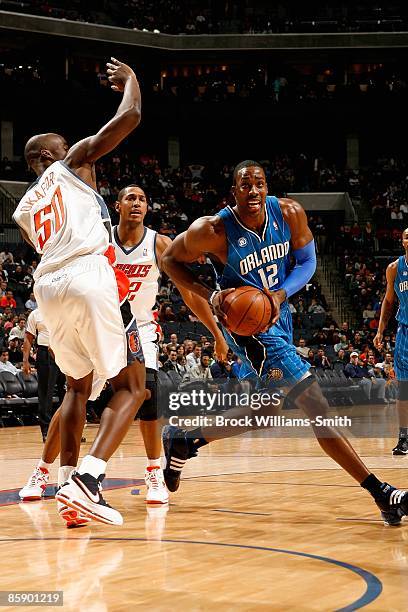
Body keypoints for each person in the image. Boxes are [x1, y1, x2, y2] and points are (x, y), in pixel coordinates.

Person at [160, 159, 408, 526]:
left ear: (267, 186)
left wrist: (281, 294)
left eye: (259, 184)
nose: (254, 191)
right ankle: (381, 492)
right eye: (245, 185)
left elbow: (307, 261)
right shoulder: (212, 230)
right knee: (316, 405)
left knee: (267, 409)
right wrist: (210, 294)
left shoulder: (288, 212)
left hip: (278, 314)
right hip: (250, 330)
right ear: (235, 192)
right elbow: (169, 261)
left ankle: (185, 441)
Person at [13, 57, 146, 527]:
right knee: (133, 385)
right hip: (86, 274)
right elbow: (127, 119)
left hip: (47, 287)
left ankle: (69, 488)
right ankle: (89, 479)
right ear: (50, 156)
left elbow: (46, 242)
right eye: (64, 147)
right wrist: (131, 82)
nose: (73, 149)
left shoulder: (25, 207)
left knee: (76, 387)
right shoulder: (71, 165)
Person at [374, 228, 408, 455]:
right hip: (405, 331)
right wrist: (380, 331)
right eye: (407, 236)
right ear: (402, 241)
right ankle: (404, 437)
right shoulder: (394, 269)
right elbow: (388, 302)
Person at [22, 307, 64, 443]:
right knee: (46, 393)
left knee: (69, 392)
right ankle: (47, 431)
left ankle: (68, 429)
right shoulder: (35, 314)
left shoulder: (63, 309)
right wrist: (25, 360)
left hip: (64, 352)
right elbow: (28, 338)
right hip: (45, 353)